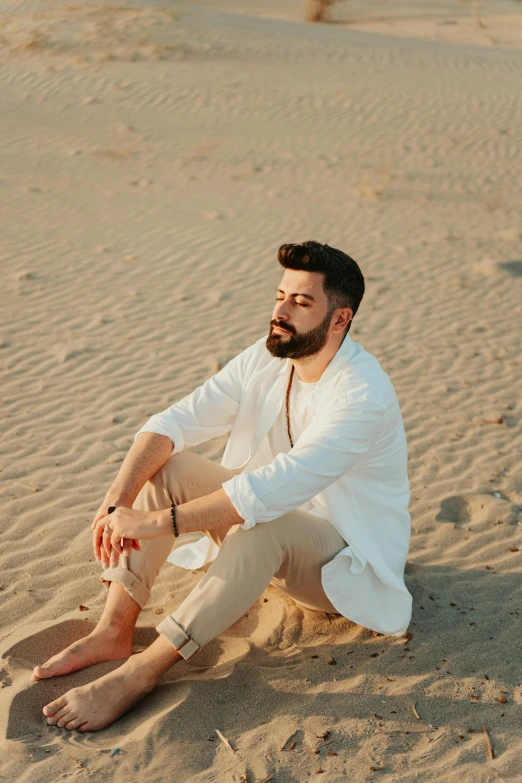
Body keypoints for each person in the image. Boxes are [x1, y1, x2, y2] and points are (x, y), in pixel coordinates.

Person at [33, 240, 412, 732]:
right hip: (262, 530)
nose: (280, 311)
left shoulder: (362, 394)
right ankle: (114, 630)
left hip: (337, 562)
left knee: (261, 525)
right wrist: (117, 500)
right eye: (280, 295)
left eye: (301, 302)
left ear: (339, 319)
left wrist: (153, 522)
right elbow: (177, 421)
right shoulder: (267, 357)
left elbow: (272, 490)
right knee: (167, 467)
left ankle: (140, 674)